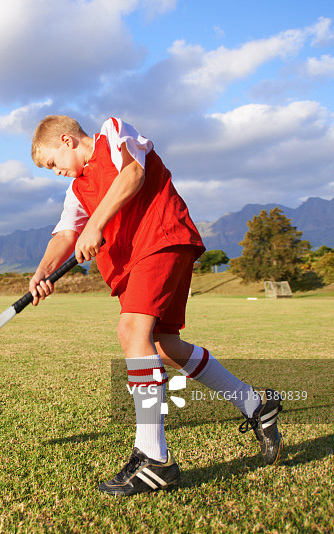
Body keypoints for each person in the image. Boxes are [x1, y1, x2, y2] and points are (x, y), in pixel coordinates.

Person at [27, 115, 283, 496]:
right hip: (137, 261)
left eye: (52, 163)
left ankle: (154, 459)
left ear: (65, 140)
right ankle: (255, 403)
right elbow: (66, 233)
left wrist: (96, 224)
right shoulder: (76, 192)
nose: (56, 172)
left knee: (131, 331)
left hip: (161, 237)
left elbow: (133, 174)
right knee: (163, 344)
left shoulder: (112, 132)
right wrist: (42, 272)